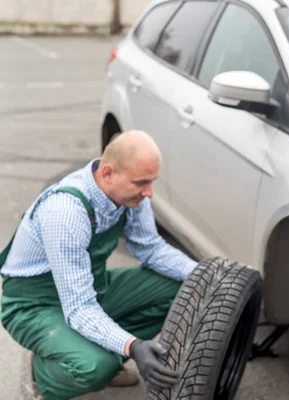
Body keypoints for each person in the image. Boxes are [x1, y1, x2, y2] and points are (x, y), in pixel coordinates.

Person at [0, 131, 197, 400]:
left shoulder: (130, 194)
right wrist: (132, 346)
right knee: (93, 367)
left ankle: (103, 350)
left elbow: (151, 248)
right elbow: (79, 307)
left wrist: (203, 274)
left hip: (91, 288)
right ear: (107, 174)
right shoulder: (65, 213)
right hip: (35, 304)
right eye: (141, 183)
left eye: (152, 182)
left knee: (183, 288)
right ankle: (45, 375)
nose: (149, 193)